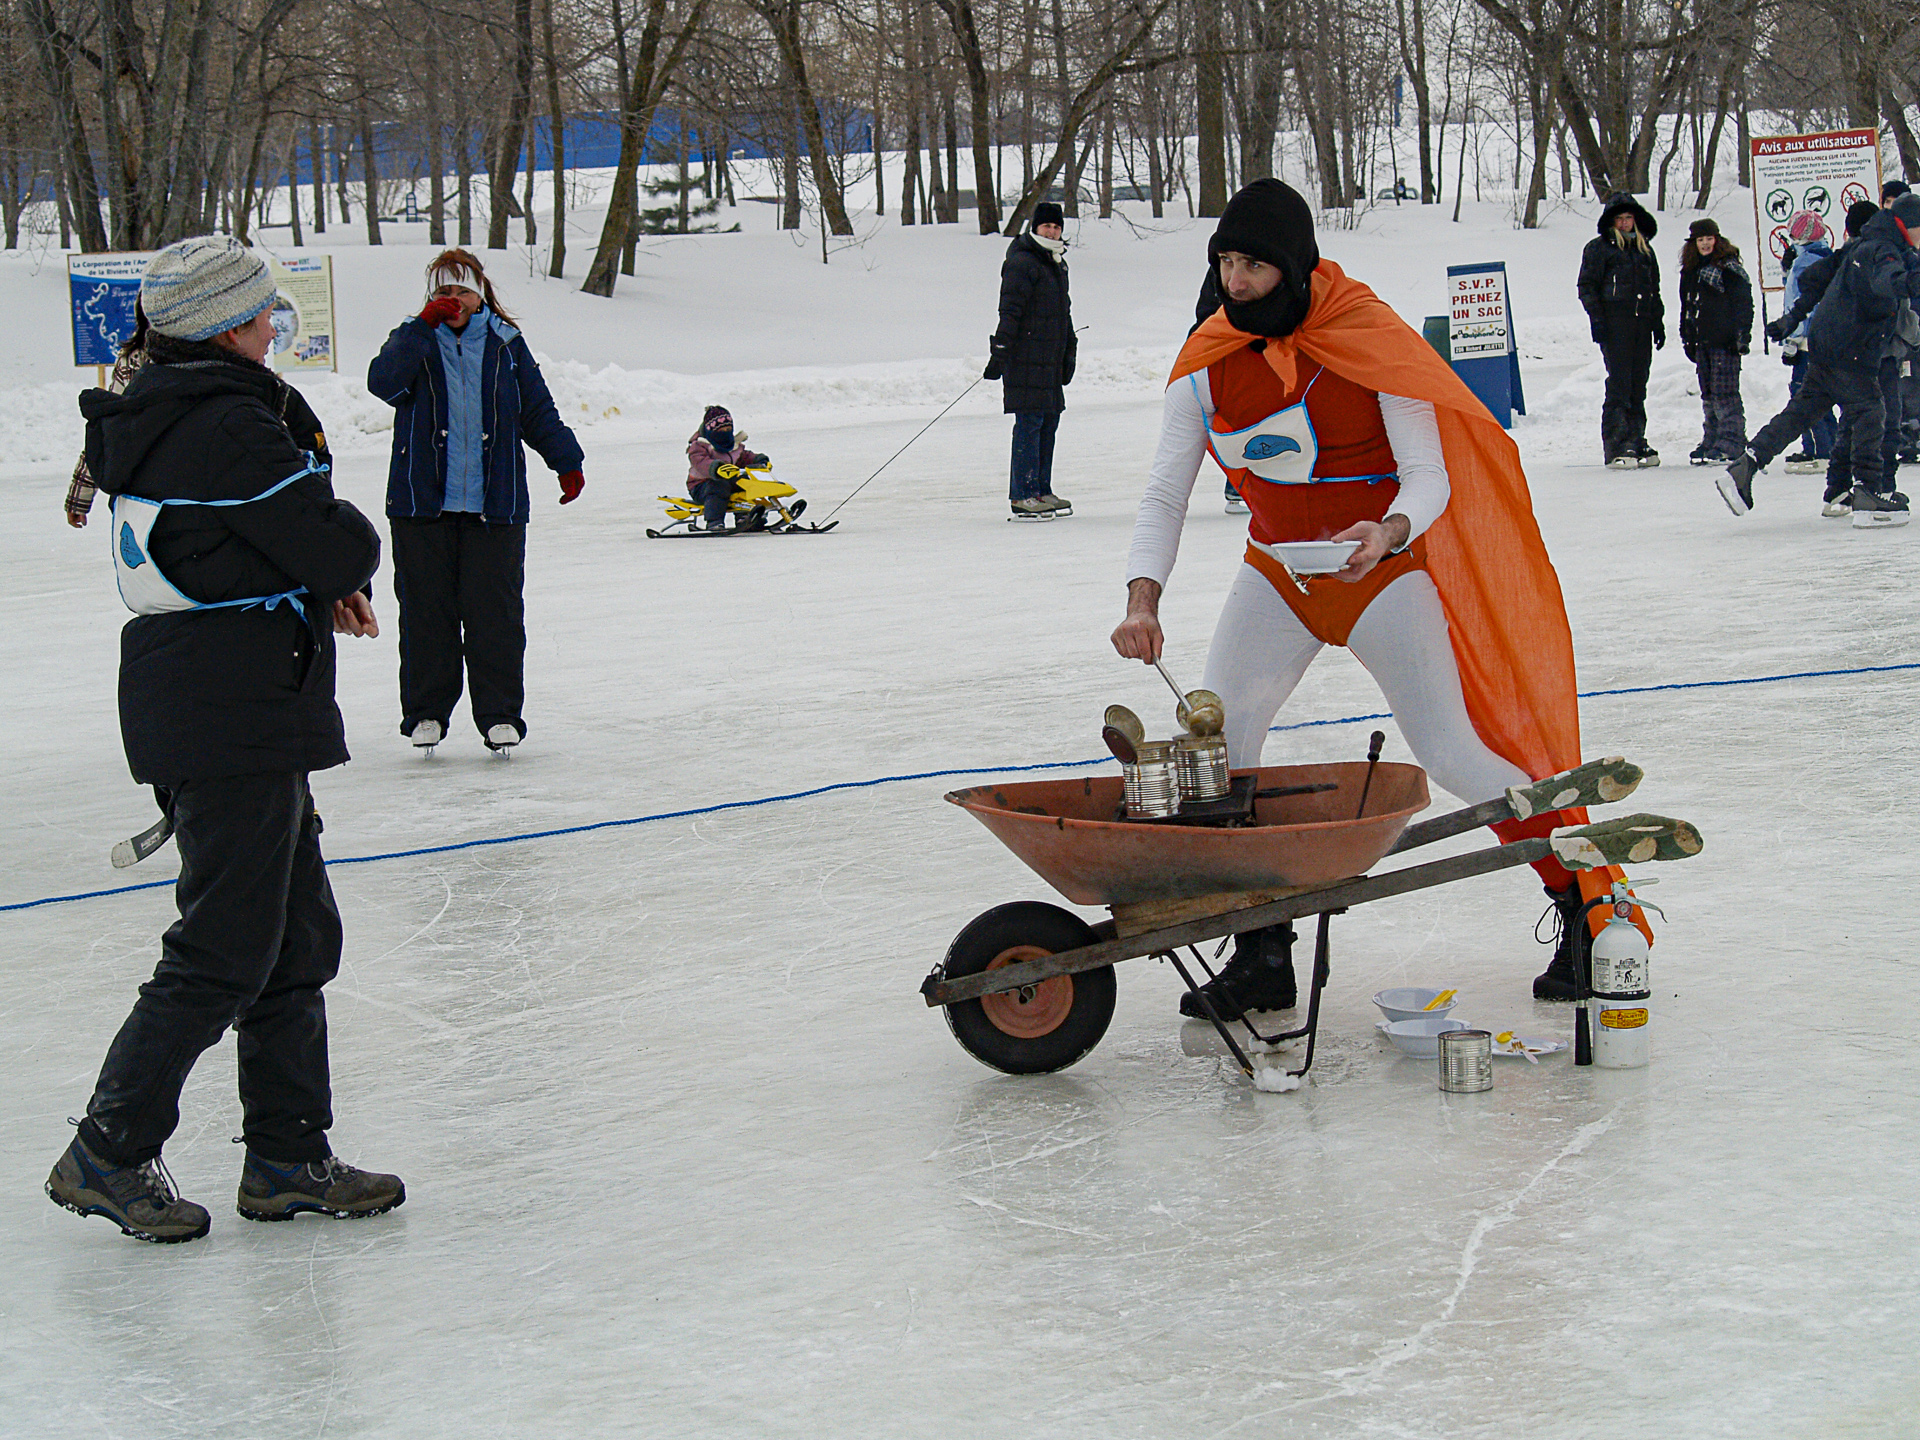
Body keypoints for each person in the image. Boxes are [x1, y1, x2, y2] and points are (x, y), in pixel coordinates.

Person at [1112, 180, 1642, 1017]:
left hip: (1381, 575)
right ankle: (1262, 954)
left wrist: (1389, 533)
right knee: (1223, 745)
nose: (1236, 282)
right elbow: (1163, 494)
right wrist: (1143, 600)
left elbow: (1428, 476)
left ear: (1294, 267)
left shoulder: (1366, 335)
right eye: (1225, 263)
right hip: (1277, 577)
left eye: (1254, 265)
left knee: (1452, 751)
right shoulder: (1206, 362)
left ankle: (1590, 901)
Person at [50, 235, 399, 1243]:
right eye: (260, 311)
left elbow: (233, 545)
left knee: (293, 937)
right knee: (227, 947)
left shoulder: (174, 405)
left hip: (228, 697)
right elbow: (335, 538)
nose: (273, 325)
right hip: (228, 707)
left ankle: (287, 1157)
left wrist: (313, 581)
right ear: (222, 325)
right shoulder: (225, 422)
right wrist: (332, 567)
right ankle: (108, 1149)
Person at [368, 249, 585, 753]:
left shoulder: (506, 344)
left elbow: (537, 410)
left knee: (496, 615)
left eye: (462, 291)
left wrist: (566, 460)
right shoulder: (414, 339)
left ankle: (500, 715)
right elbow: (383, 384)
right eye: (443, 292)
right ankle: (426, 713)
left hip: (495, 506)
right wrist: (421, 328)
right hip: (422, 506)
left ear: (480, 293)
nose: (454, 301)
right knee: (426, 614)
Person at [1739, 194, 1920, 526]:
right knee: (1872, 413)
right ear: (1907, 225)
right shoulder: (1881, 250)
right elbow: (1890, 281)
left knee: (1808, 412)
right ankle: (1869, 495)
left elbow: (1815, 279)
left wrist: (1793, 318)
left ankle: (1747, 464)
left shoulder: (1864, 247)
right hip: (1854, 350)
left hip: (1832, 347)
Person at [985, 201, 1075, 519]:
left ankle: (1041, 489)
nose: (1051, 232)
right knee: (1030, 421)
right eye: (1046, 226)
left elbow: (1064, 313)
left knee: (1049, 420)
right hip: (1025, 356)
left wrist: (1069, 350)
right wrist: (1001, 349)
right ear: (1035, 227)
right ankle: (1022, 494)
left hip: (1049, 358)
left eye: (1056, 227)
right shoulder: (1022, 261)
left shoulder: (1056, 263)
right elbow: (1010, 309)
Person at [1577, 194, 1666, 469]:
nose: (1625, 223)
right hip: (1615, 325)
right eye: (1620, 218)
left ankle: (1636, 438)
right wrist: (1598, 321)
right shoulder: (1598, 249)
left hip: (1641, 325)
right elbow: (1587, 287)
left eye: (1629, 218)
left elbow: (1654, 289)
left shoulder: (1644, 250)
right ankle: (1617, 443)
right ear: (1611, 221)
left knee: (1639, 384)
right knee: (1620, 384)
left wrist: (1657, 322)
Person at [65, 305, 151, 528]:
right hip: (145, 493)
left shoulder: (134, 360)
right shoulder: (134, 361)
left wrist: (79, 498)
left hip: (142, 493)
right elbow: (109, 428)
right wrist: (79, 497)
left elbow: (109, 429)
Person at [1677, 218, 1752, 464]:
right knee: (1708, 393)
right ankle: (1712, 438)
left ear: (1717, 240)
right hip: (1702, 341)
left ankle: (1732, 441)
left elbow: (1743, 303)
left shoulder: (1729, 268)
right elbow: (1686, 306)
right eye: (1701, 240)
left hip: (1725, 340)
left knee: (1725, 393)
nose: (1705, 244)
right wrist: (1687, 336)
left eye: (1709, 239)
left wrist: (1742, 335)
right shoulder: (1690, 271)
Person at [1777, 211, 1837, 474]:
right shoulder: (1826, 257)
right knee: (1821, 395)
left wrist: (1792, 338)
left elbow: (1802, 303)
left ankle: (1819, 450)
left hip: (1807, 340)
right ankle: (1828, 447)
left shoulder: (1805, 262)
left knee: (1804, 394)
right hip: (1825, 339)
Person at [685, 405, 771, 531]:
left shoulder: (733, 445)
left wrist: (758, 460)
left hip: (728, 481)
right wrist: (716, 468)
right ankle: (714, 521)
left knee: (745, 482)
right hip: (701, 485)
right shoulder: (699, 447)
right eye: (722, 430)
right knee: (718, 487)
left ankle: (745, 517)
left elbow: (744, 456)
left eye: (728, 429)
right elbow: (701, 462)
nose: (725, 433)